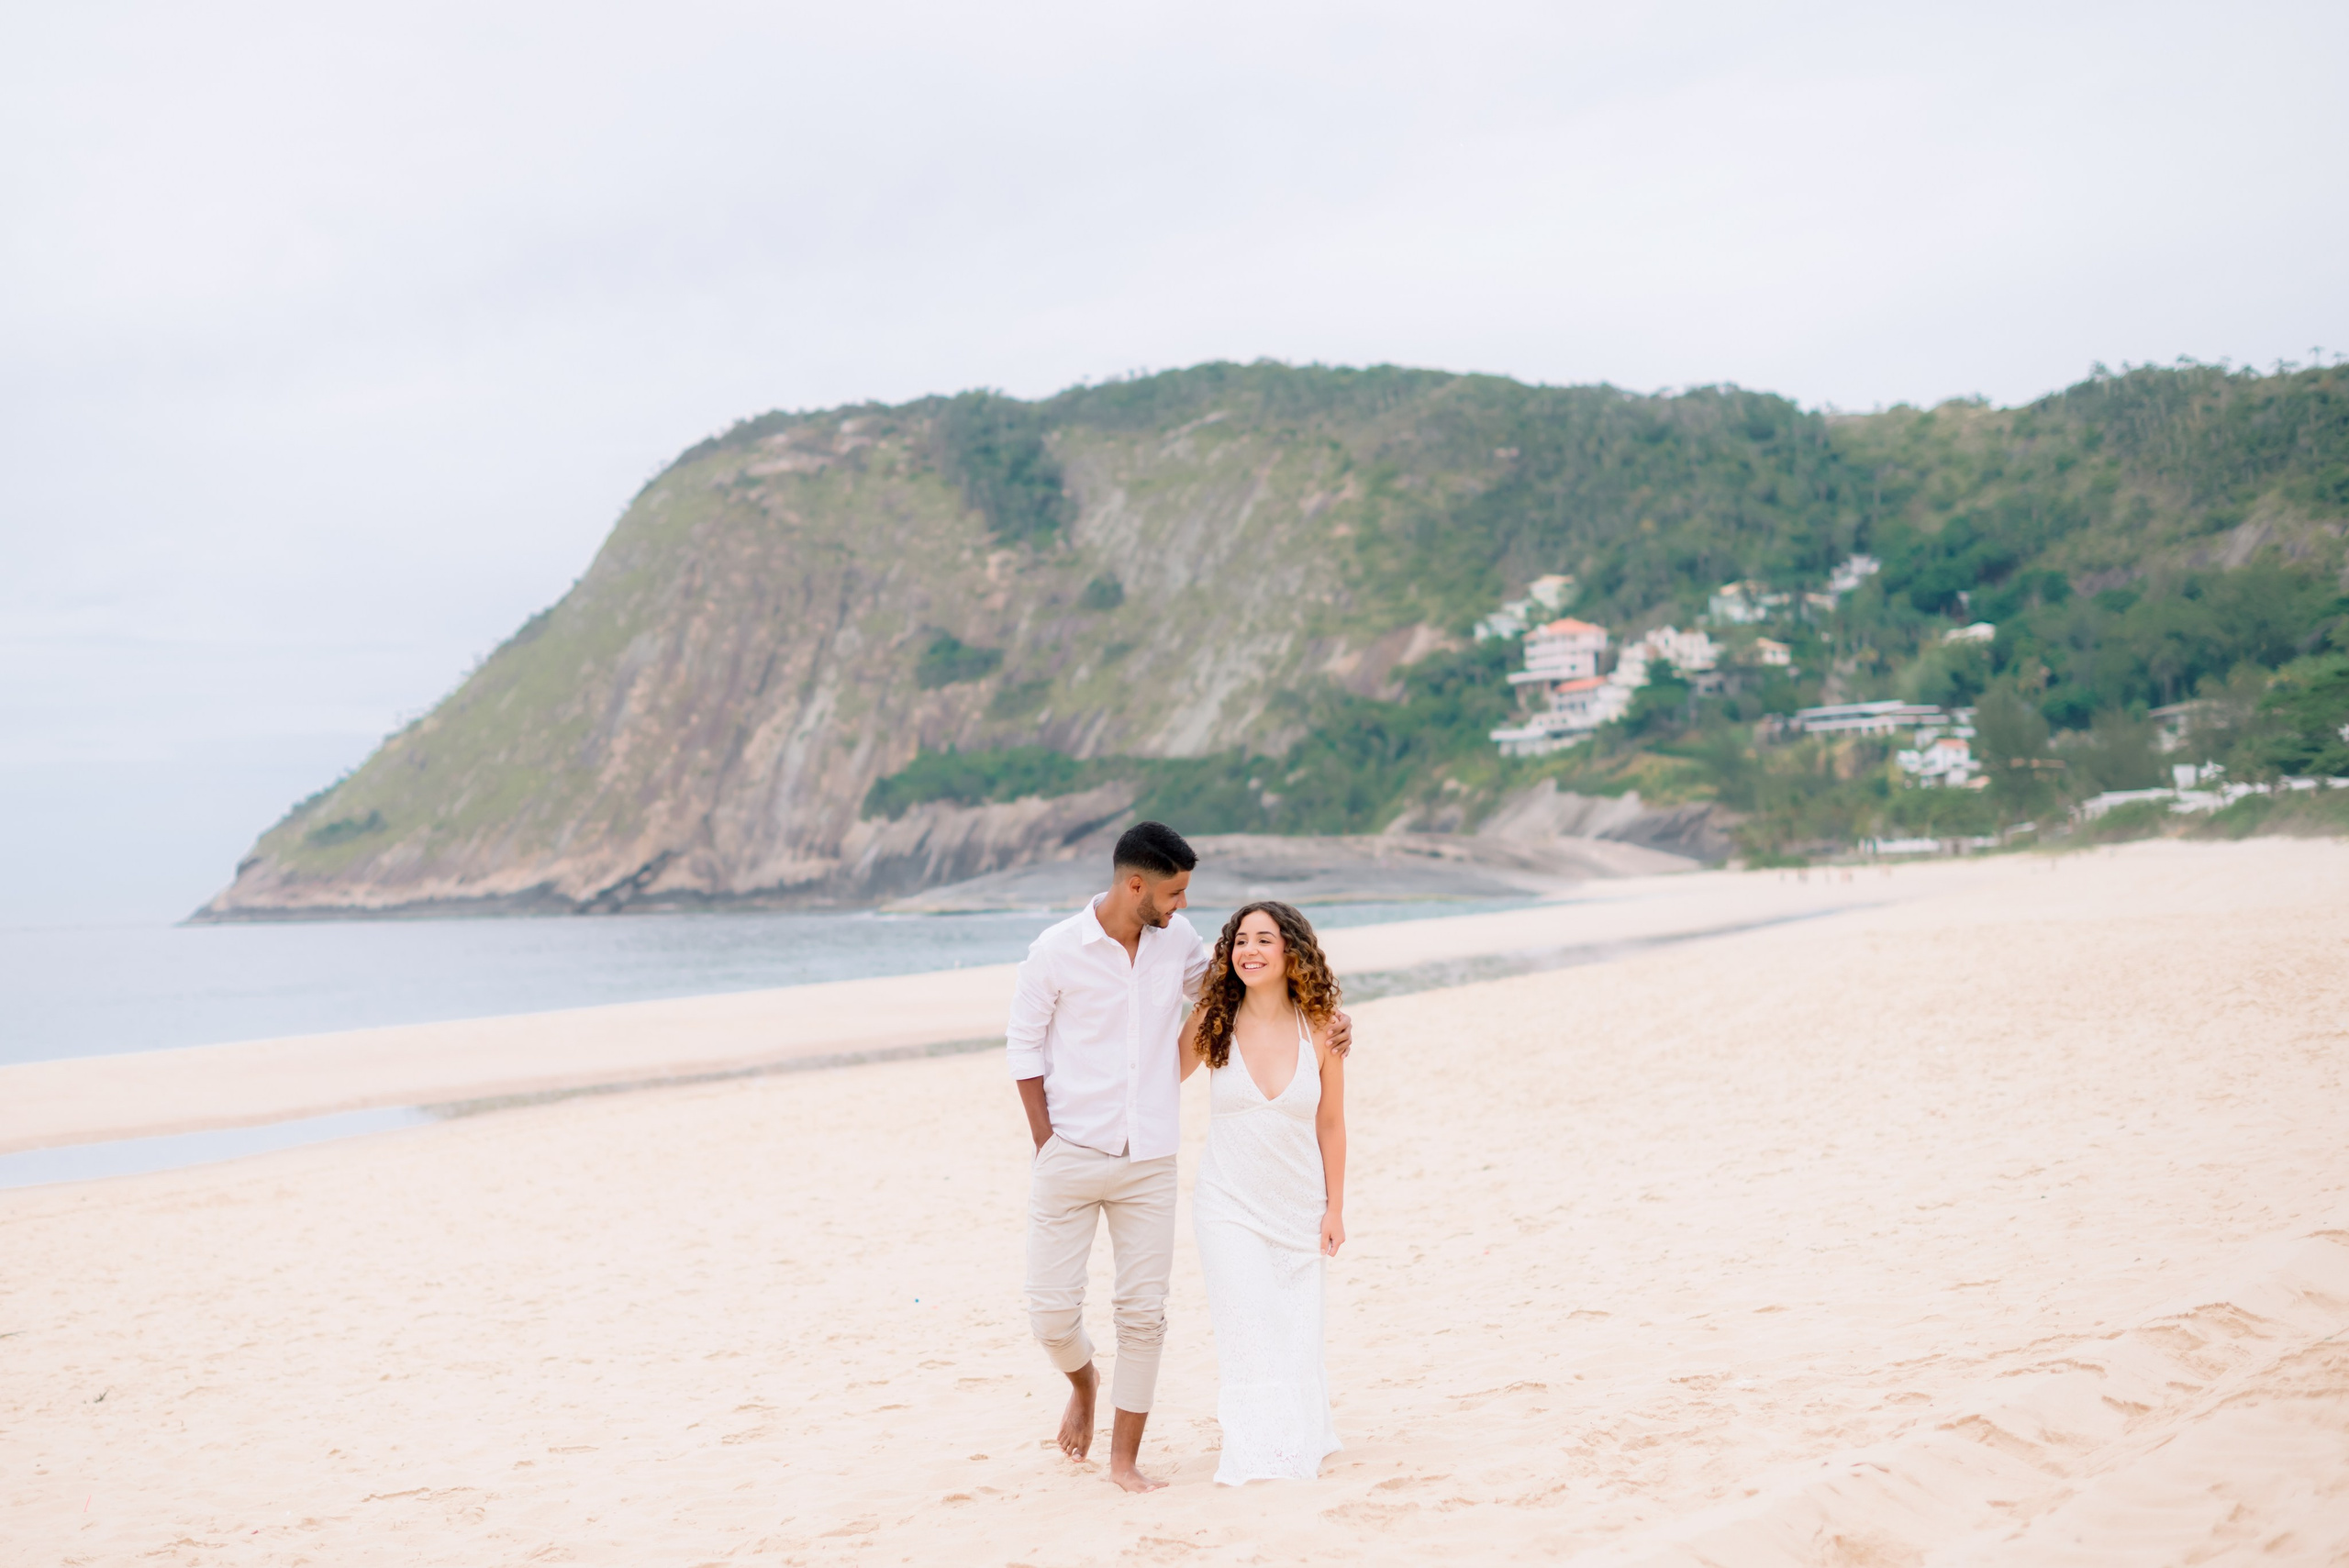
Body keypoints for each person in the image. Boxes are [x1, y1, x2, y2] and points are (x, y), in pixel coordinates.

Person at [1007, 823, 1349, 1492]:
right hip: (1072, 1152)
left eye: (1185, 893)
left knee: (1144, 1314)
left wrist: (1333, 1020)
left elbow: (1239, 984)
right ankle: (1083, 1381)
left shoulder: (1181, 946)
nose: (1183, 905)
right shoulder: (1054, 951)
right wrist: (1046, 1142)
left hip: (1152, 1163)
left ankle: (1125, 1460)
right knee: (1050, 1310)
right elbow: (1024, 1046)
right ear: (1138, 885)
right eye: (1175, 891)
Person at [1180, 900, 1347, 1484]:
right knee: (1249, 1328)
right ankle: (1259, 1453)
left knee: (1297, 1330)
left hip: (1299, 1208)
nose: (1249, 950)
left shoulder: (1323, 1029)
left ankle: (1299, 1438)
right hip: (1226, 1206)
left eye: (1264, 940)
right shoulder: (1216, 1023)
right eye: (1240, 941)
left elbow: (1330, 1123)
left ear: (1290, 951)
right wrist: (1202, 999)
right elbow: (1170, 1070)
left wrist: (1335, 1208)